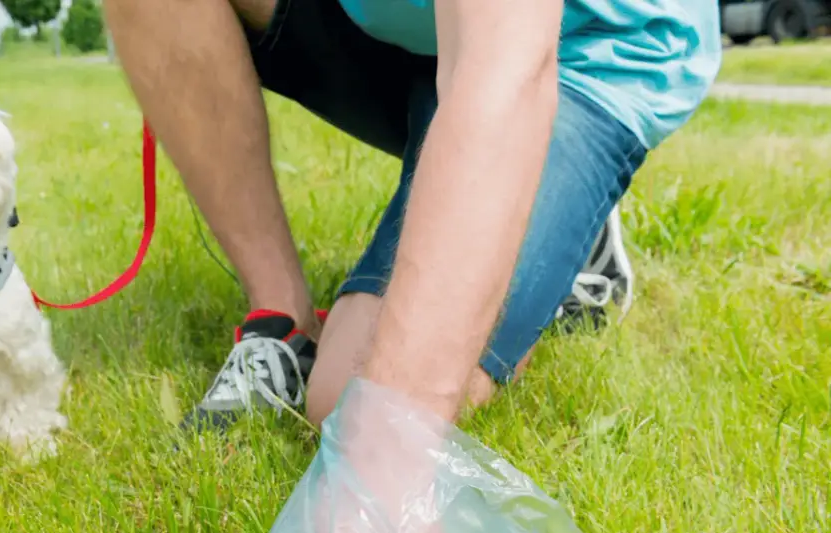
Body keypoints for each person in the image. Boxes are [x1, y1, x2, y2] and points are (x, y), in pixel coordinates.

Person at [104, 0, 720, 433]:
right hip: (406, 30)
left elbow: (503, 62)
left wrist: (383, 467)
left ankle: (564, 222)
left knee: (352, 399)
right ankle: (281, 321)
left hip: (575, 49)